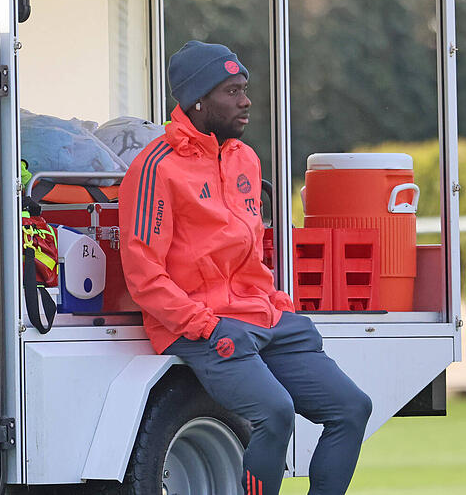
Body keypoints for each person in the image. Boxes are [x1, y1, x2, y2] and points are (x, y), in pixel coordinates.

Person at [120, 41, 372, 495]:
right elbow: (144, 274)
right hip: (200, 324)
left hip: (261, 317)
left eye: (245, 88)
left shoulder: (245, 159)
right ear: (198, 101)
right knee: (274, 413)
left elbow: (250, 253)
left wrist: (279, 304)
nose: (246, 100)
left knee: (351, 408)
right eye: (232, 91)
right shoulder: (156, 167)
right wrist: (204, 323)